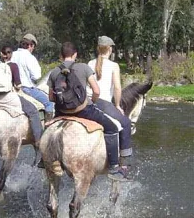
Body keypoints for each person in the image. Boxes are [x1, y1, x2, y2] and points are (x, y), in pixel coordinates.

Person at [47, 42, 133, 181]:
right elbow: (96, 91)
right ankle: (113, 168)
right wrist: (91, 102)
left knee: (49, 130)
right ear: (75, 54)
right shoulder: (83, 67)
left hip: (61, 112)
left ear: (60, 56)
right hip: (82, 111)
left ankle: (43, 161)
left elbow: (51, 97)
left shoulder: (54, 72)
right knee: (112, 128)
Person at [87, 36, 133, 166]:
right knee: (125, 123)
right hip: (103, 102)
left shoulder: (90, 63)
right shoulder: (114, 65)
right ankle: (124, 161)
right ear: (110, 49)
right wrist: (117, 105)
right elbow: (117, 88)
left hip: (88, 101)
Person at [0, 45, 43, 148]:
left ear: (1, 54)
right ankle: (38, 140)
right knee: (33, 111)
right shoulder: (13, 66)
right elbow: (18, 85)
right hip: (9, 98)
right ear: (11, 54)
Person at [11, 33, 55, 121]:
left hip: (11, 88)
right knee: (49, 103)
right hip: (26, 88)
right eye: (33, 46)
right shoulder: (30, 57)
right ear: (31, 45)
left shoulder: (12, 55)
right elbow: (36, 76)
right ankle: (47, 127)